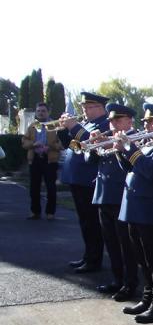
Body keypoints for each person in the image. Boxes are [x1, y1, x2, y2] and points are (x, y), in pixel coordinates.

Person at [116, 104, 153, 324]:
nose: (146, 126)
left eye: (151, 122)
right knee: (141, 258)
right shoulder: (147, 145)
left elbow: (150, 171)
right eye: (146, 122)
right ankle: (147, 296)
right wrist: (122, 152)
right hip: (134, 208)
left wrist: (130, 150)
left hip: (149, 209)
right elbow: (132, 169)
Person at [90, 103, 139, 301]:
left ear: (129, 121)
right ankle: (117, 279)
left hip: (122, 196)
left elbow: (132, 165)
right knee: (111, 243)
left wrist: (121, 147)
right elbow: (89, 160)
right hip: (104, 196)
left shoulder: (136, 138)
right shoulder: (107, 137)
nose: (113, 125)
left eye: (118, 120)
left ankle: (130, 283)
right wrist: (93, 147)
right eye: (111, 121)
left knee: (126, 245)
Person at [58, 92, 110, 273]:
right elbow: (71, 146)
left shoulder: (105, 124)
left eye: (88, 107)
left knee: (92, 222)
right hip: (76, 178)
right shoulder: (86, 123)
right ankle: (88, 256)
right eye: (84, 107)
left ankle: (94, 259)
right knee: (84, 222)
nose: (85, 111)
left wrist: (74, 126)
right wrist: (63, 128)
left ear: (100, 108)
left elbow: (89, 141)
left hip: (89, 179)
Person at [22, 102, 62, 220]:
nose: (40, 113)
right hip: (34, 159)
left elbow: (62, 143)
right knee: (34, 187)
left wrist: (50, 147)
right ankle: (35, 212)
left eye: (43, 111)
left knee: (50, 187)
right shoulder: (32, 126)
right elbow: (24, 141)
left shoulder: (55, 126)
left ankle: (50, 213)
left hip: (50, 160)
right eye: (38, 111)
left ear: (48, 112)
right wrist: (33, 144)